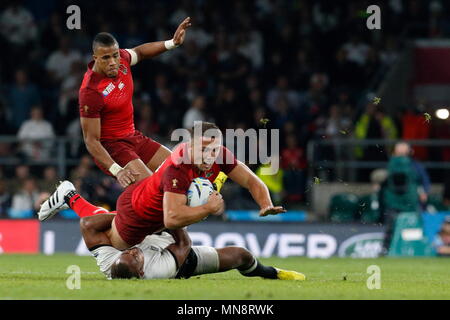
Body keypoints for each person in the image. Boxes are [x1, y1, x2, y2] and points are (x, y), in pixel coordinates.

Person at [38, 122, 285, 251]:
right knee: (116, 242)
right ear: (190, 145)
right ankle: (71, 197)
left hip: (161, 199)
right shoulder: (179, 164)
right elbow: (172, 216)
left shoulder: (220, 155)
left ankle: (69, 195)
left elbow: (252, 180)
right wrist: (208, 207)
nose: (209, 154)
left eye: (213, 149)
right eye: (203, 148)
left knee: (156, 235)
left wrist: (266, 204)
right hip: (145, 203)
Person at [78, 18, 194, 188]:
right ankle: (72, 199)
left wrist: (172, 43)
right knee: (153, 190)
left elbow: (140, 52)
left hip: (133, 137)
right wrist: (117, 170)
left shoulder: (122, 61)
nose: (112, 62)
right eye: (106, 58)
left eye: (115, 55)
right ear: (95, 58)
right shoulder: (90, 91)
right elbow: (91, 141)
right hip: (113, 147)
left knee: (180, 171)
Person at [80, 213, 305, 280]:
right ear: (141, 270)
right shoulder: (158, 271)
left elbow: (87, 225)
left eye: (127, 252)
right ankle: (271, 273)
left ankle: (70, 197)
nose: (132, 250)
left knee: (100, 216)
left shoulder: (112, 262)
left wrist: (130, 218)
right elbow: (185, 243)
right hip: (181, 260)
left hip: (148, 232)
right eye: (134, 256)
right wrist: (168, 219)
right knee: (241, 255)